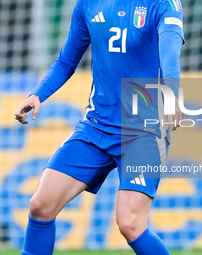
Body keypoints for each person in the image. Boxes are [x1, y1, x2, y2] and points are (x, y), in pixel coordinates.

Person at [15, 0, 184, 254]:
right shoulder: (87, 4)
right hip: (96, 126)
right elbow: (65, 61)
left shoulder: (163, 3)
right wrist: (38, 95)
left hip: (144, 130)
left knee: (130, 224)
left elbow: (169, 53)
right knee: (41, 205)